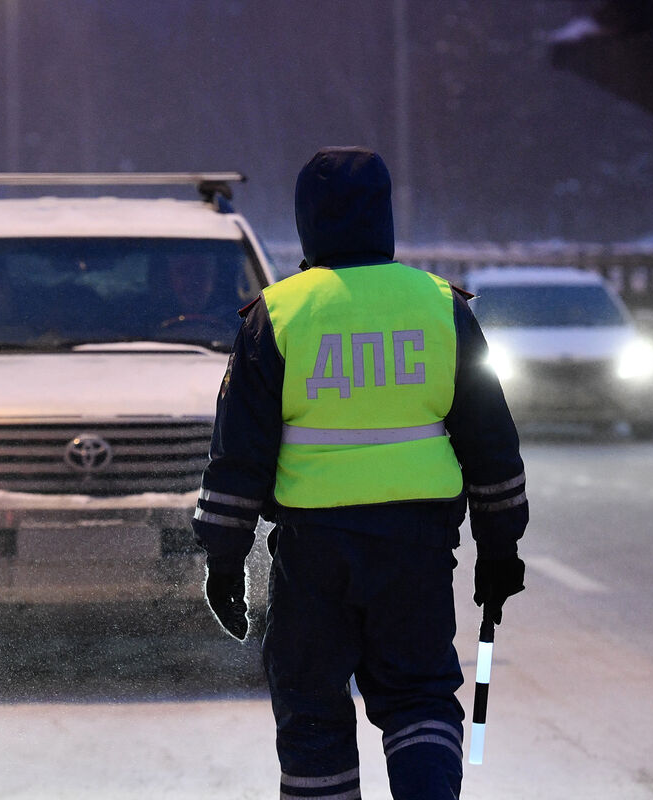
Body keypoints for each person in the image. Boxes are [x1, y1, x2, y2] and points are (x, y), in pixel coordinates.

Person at [191, 146, 528, 800]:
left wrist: (224, 559)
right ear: (384, 214)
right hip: (417, 550)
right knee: (420, 697)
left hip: (313, 554)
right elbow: (490, 441)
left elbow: (238, 455)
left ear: (308, 220)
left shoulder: (278, 315)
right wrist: (501, 546)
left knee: (312, 704)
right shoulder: (442, 308)